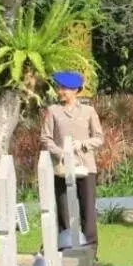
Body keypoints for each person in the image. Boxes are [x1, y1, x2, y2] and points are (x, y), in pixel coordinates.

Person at [41, 70, 103, 250]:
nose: (61, 92)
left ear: (75, 90)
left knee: (88, 211)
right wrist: (61, 153)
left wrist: (82, 144)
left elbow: (99, 138)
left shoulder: (88, 111)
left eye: (65, 89)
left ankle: (91, 249)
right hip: (61, 167)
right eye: (60, 88)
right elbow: (45, 138)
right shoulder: (53, 111)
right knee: (63, 211)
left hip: (85, 167)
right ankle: (64, 247)